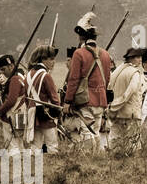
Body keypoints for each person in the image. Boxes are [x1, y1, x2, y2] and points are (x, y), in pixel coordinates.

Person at [61, 11, 113, 149]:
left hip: (85, 100)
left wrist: (67, 101)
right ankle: (96, 158)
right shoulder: (106, 54)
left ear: (81, 37)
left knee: (86, 131)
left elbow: (73, 79)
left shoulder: (79, 53)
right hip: (101, 99)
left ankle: (89, 160)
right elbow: (107, 79)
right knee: (95, 130)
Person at [24, 45, 63, 153]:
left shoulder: (28, 75)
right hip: (46, 114)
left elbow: (26, 99)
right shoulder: (46, 76)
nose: (53, 62)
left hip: (32, 114)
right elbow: (55, 99)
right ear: (43, 59)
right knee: (52, 145)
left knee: (35, 146)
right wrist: (59, 113)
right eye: (51, 59)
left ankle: (35, 168)